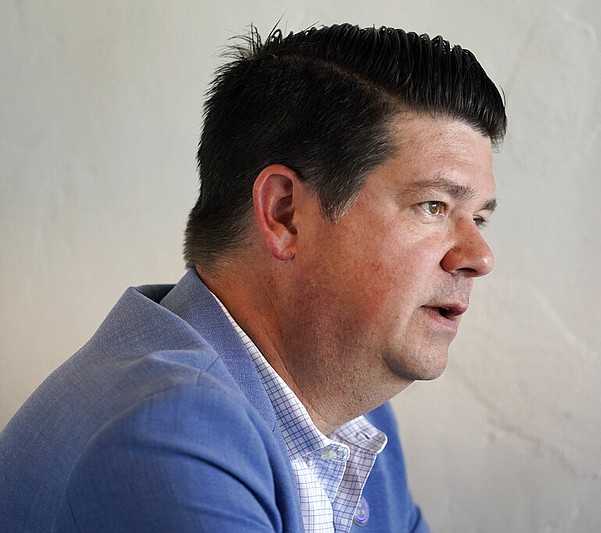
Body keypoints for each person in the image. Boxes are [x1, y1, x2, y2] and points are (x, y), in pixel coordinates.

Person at [0, 23, 506, 532]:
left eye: (478, 218)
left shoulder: (359, 419)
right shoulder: (168, 435)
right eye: (433, 206)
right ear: (285, 214)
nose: (478, 256)